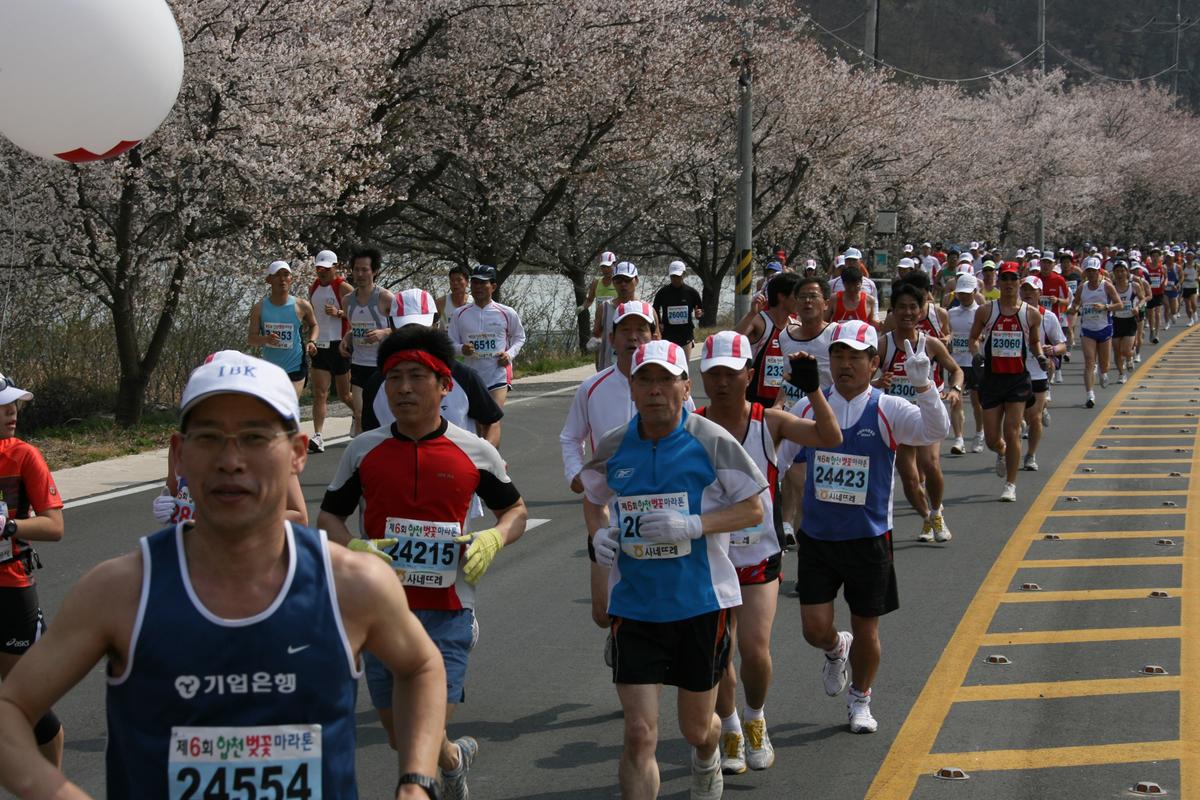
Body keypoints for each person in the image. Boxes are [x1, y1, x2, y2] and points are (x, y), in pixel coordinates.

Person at [0, 352, 447, 798]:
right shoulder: (121, 590)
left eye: (254, 437)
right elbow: (10, 710)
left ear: (296, 454)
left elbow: (422, 665)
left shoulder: (352, 582)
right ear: (179, 454)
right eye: (210, 437)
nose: (231, 460)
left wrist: (417, 781)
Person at [318, 327, 527, 800]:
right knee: (401, 738)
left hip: (449, 610)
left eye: (416, 377)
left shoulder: (475, 451)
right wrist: (355, 548)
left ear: (444, 384)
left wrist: (493, 538)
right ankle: (454, 759)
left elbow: (515, 511)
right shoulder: (363, 449)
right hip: (380, 613)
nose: (404, 389)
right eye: (394, 379)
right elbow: (329, 517)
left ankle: (426, 779)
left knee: (419, 734)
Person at [581, 339, 768, 800]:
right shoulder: (615, 445)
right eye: (645, 379)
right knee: (640, 733)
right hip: (637, 606)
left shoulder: (711, 440)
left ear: (686, 386)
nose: (655, 390)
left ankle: (707, 755)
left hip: (700, 603)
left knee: (694, 729)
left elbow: (753, 511)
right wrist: (599, 539)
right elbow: (593, 497)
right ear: (632, 386)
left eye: (667, 379)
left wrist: (693, 525)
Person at [791, 320, 949, 734]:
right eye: (838, 355)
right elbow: (775, 455)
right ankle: (833, 647)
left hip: (869, 538)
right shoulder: (807, 406)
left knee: (867, 627)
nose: (845, 364)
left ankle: (860, 698)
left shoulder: (887, 408)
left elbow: (936, 430)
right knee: (813, 629)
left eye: (855, 357)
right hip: (818, 539)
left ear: (873, 363)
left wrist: (925, 387)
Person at [695, 332, 841, 776]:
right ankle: (733, 726)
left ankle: (756, 716)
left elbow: (830, 437)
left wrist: (813, 387)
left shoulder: (769, 421)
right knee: (719, 653)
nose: (721, 382)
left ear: (750, 374)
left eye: (730, 372)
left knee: (755, 650)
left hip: (759, 553)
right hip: (709, 555)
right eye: (713, 373)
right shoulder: (692, 424)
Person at [560, 302, 663, 640]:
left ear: (653, 335)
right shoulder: (592, 387)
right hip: (606, 505)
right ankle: (619, 634)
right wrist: (576, 472)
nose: (634, 338)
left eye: (641, 330)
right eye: (625, 331)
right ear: (612, 338)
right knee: (603, 613)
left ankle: (634, 650)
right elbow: (570, 436)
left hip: (658, 503)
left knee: (654, 597)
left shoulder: (671, 385)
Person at [0, 375, 65, 767]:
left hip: (10, 587)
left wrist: (10, 527)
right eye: (3, 406)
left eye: (14, 405)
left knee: (26, 701)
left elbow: (54, 527)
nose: (12, 413)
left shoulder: (24, 456)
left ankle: (51, 786)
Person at [877, 282, 962, 542]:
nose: (907, 312)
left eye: (913, 307)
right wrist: (878, 383)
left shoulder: (931, 344)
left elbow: (956, 369)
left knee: (930, 463)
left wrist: (955, 389)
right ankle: (926, 517)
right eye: (901, 307)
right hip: (899, 418)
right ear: (892, 311)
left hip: (927, 414)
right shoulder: (883, 345)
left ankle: (937, 512)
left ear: (922, 310)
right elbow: (865, 378)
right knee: (911, 480)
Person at [969, 263, 1044, 502]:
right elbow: (973, 338)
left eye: (1013, 279)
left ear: (1019, 282)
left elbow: (1033, 342)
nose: (1009, 283)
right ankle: (1001, 452)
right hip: (991, 378)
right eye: (1005, 279)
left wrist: (1041, 356)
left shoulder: (1031, 313)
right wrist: (976, 352)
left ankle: (1010, 484)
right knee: (992, 438)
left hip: (1017, 380)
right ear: (998, 282)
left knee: (1012, 431)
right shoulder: (985, 311)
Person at [447, 264, 526, 444]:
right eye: (475, 283)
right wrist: (462, 349)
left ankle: (492, 464)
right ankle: (483, 461)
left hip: (497, 374)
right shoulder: (460, 314)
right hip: (472, 376)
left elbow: (520, 337)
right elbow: (450, 343)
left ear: (493, 286)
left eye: (483, 283)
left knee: (492, 419)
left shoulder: (506, 312)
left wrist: (509, 355)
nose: (478, 287)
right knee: (478, 424)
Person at [338, 248, 395, 437]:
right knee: (360, 413)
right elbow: (354, 328)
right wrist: (346, 339)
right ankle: (362, 458)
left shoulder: (386, 298)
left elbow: (403, 328)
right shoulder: (347, 301)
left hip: (382, 365)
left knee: (384, 415)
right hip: (359, 363)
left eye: (365, 270)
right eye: (356, 270)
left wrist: (384, 332)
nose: (360, 274)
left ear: (375, 271)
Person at [247, 260, 319, 397]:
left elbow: (314, 325)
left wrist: (312, 341)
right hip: (271, 369)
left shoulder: (302, 305)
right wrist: (265, 339)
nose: (282, 279)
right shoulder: (259, 308)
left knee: (289, 405)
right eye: (277, 275)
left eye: (286, 274)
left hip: (295, 366)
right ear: (269, 280)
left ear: (291, 278)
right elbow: (251, 339)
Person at [307, 249, 355, 453]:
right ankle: (318, 436)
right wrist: (311, 340)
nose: (322, 272)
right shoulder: (313, 288)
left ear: (335, 267)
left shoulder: (343, 287)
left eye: (326, 268)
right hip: (320, 345)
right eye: (319, 268)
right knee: (320, 393)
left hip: (339, 345)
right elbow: (312, 317)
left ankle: (363, 415)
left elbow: (359, 314)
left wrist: (340, 313)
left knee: (345, 395)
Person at [1018, 278, 1067, 472]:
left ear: (1040, 293)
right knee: (1019, 419)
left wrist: (1052, 349)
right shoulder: (1012, 314)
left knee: (1035, 417)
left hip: (1038, 372)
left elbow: (1063, 345)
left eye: (1032, 290)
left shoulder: (1049, 317)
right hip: (1016, 373)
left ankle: (1030, 455)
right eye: (1024, 290)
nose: (1028, 293)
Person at [735, 272, 802, 407]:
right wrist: (751, 314)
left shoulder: (796, 326)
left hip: (785, 400)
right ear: (782, 296)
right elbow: (731, 341)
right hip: (756, 398)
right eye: (797, 295)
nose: (800, 300)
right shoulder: (759, 321)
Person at [1069, 257, 1121, 409]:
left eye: (1094, 271)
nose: (1091, 274)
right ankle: (1090, 394)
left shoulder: (1107, 286)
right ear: (1085, 272)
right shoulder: (1082, 287)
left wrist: (1105, 307)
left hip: (1104, 327)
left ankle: (1104, 373)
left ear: (1099, 271)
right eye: (1088, 271)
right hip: (1088, 329)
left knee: (1104, 364)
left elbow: (1119, 304)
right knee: (1089, 361)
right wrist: (1075, 309)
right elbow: (1076, 303)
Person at [947, 273, 985, 454]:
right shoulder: (951, 313)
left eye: (966, 293)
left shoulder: (983, 312)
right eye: (960, 293)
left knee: (977, 402)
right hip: (956, 364)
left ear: (975, 292)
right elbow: (947, 336)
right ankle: (959, 439)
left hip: (975, 363)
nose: (962, 296)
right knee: (956, 401)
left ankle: (979, 433)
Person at [591, 261, 642, 371]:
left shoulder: (647, 310)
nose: (623, 284)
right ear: (613, 283)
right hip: (610, 369)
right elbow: (596, 335)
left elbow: (656, 338)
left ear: (636, 280)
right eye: (618, 280)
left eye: (627, 280)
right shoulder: (604, 308)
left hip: (639, 371)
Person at [653, 260, 704, 361]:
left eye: (678, 276)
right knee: (669, 366)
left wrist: (699, 314)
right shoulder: (663, 292)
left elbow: (700, 309)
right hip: (668, 335)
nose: (675, 279)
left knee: (684, 367)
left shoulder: (691, 292)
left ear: (684, 274)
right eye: (673, 276)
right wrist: (659, 324)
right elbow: (655, 309)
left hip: (686, 335)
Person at [1110, 261, 1144, 384]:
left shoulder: (1134, 286)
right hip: (1115, 321)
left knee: (1125, 350)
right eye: (1117, 271)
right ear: (1114, 273)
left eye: (1122, 271)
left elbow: (1142, 299)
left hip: (1130, 320)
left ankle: (1130, 356)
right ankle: (1121, 374)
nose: (1120, 274)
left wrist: (1137, 307)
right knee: (1116, 350)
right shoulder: (1111, 287)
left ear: (1127, 272)